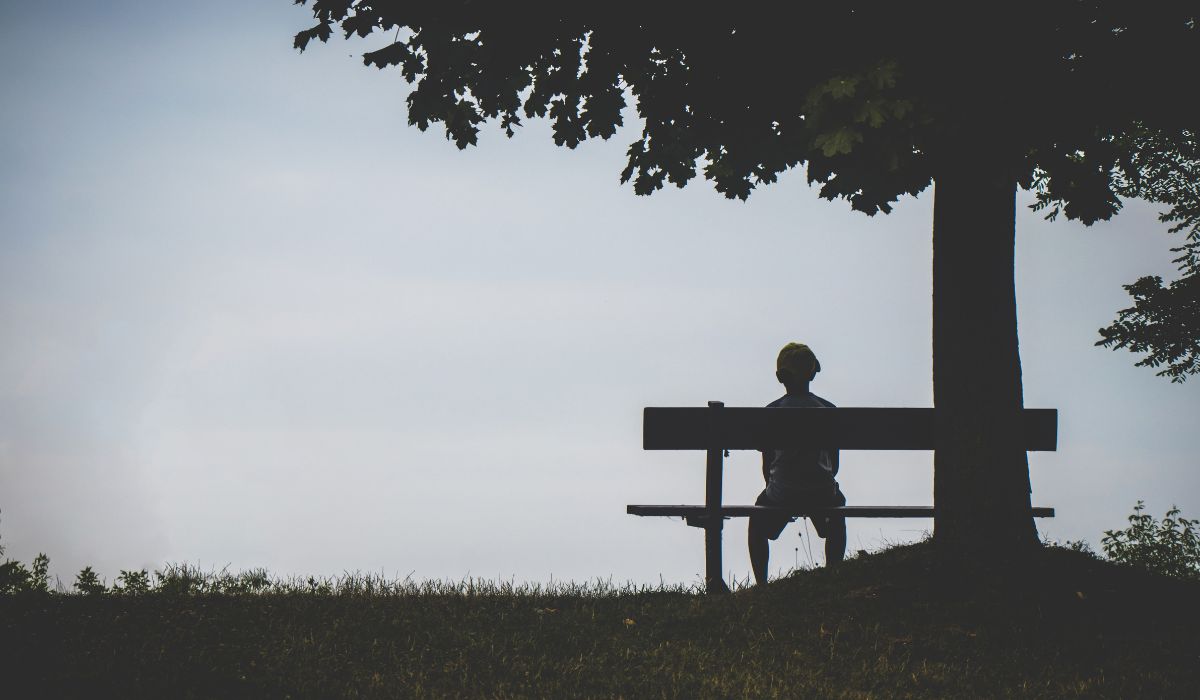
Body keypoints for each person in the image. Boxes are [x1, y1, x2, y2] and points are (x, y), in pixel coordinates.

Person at [749, 342, 847, 585]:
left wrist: (779, 489)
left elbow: (767, 466)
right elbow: (834, 466)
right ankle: (833, 575)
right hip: (822, 492)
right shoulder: (828, 410)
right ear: (813, 373)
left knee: (756, 522)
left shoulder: (771, 412)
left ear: (781, 377)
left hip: (782, 492)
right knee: (838, 505)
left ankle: (762, 585)